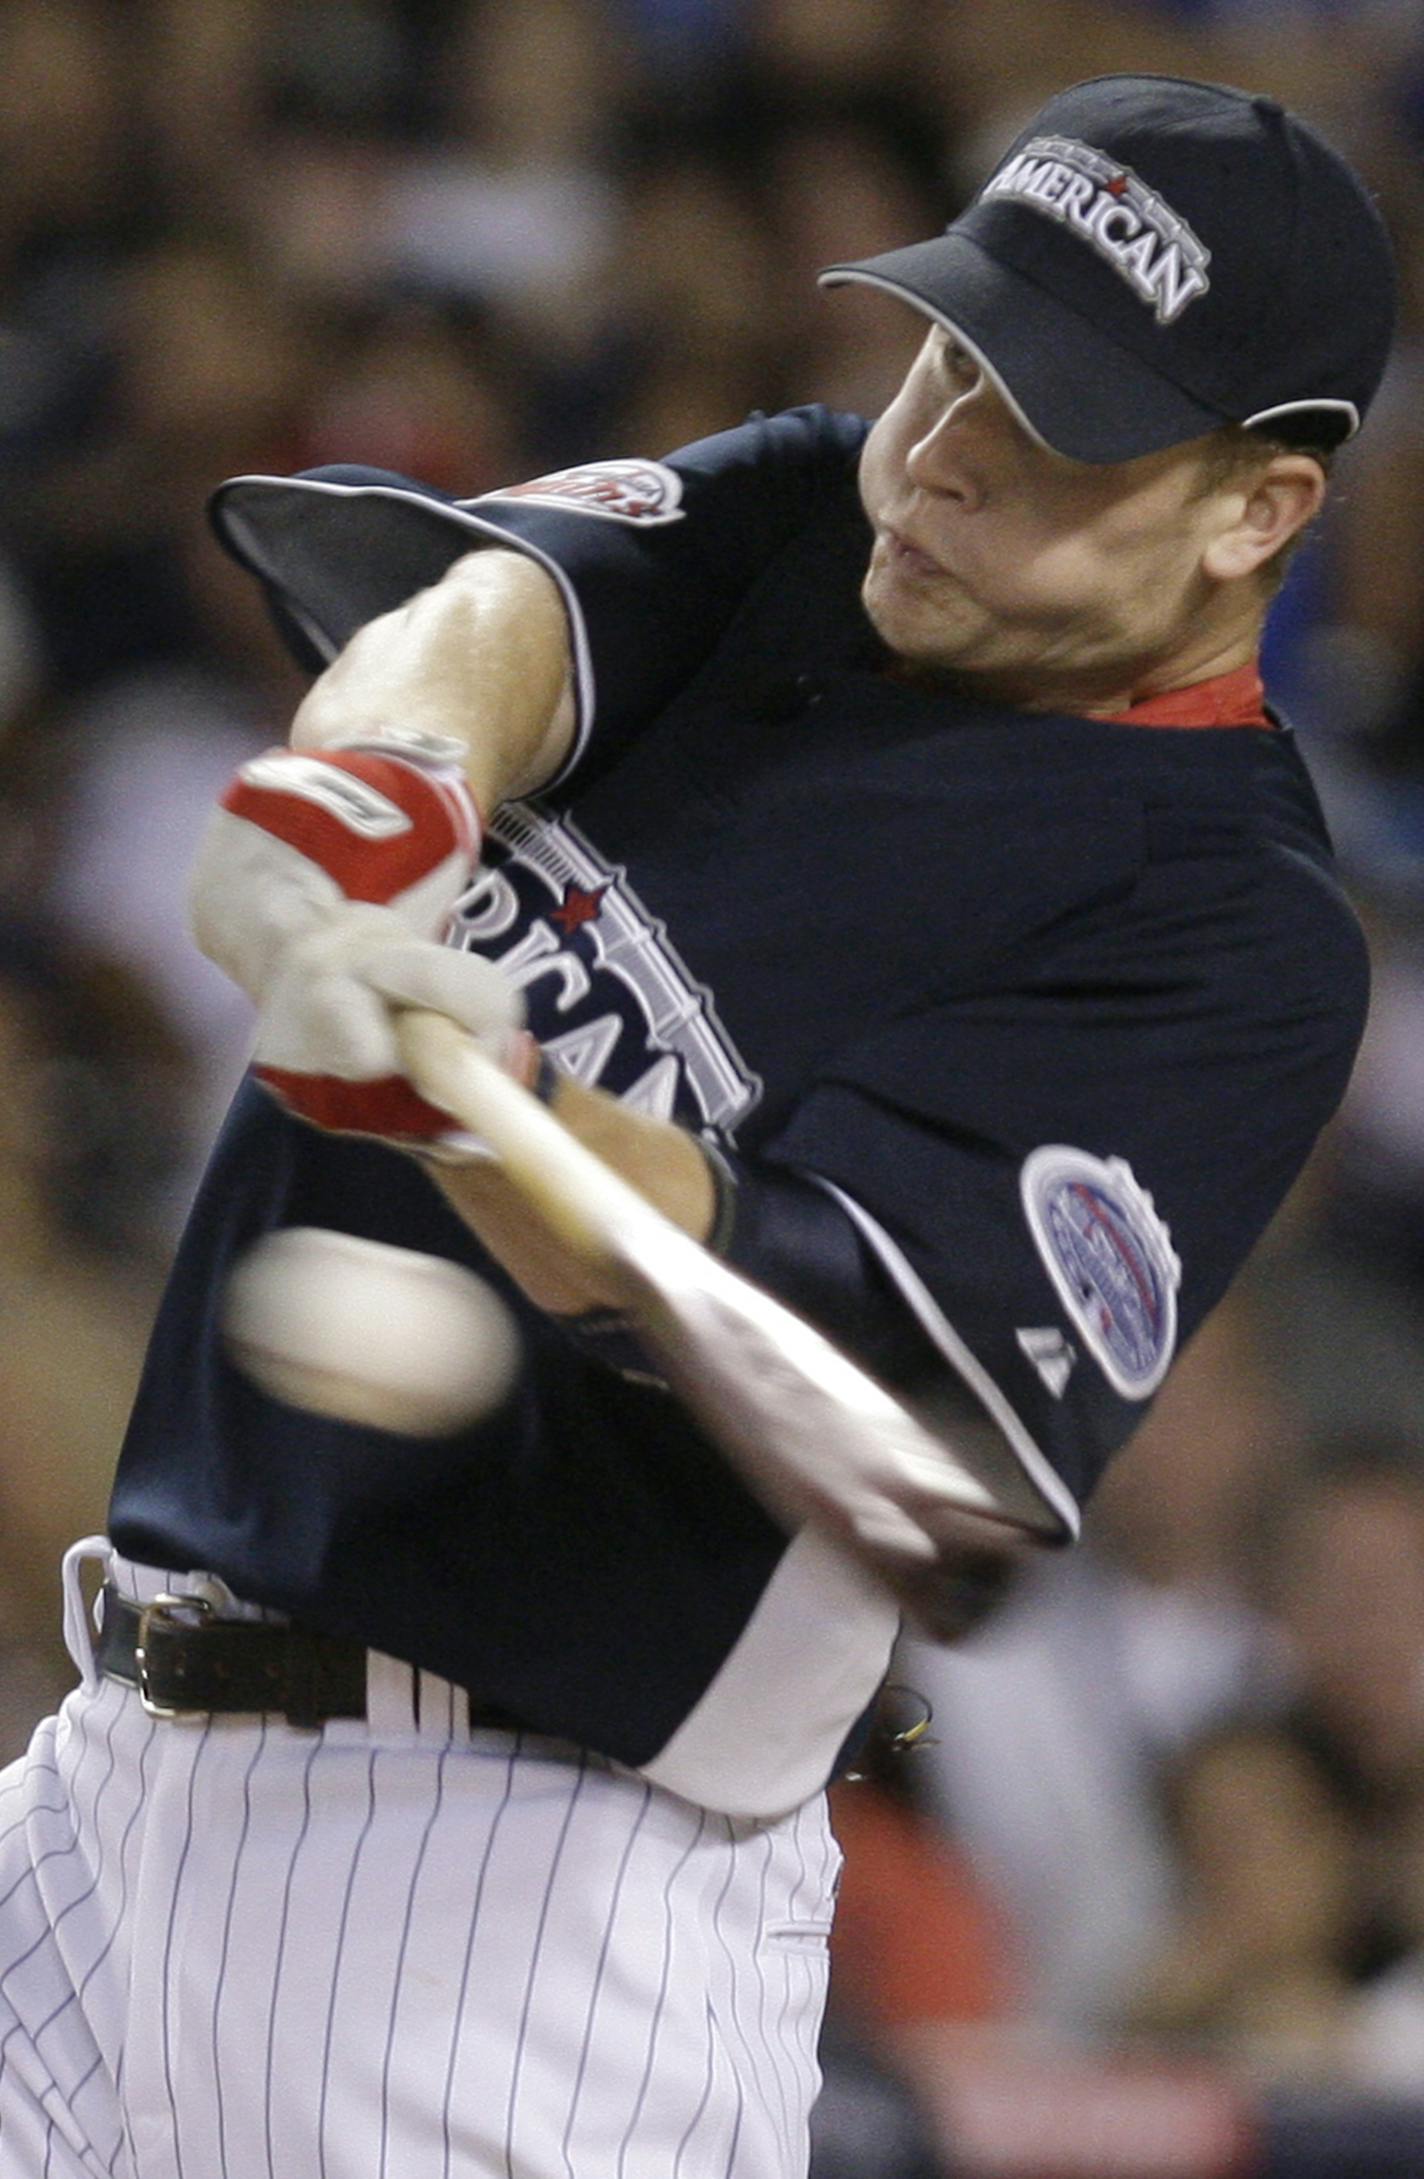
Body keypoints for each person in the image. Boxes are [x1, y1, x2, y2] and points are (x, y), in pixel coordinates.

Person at [0, 72, 1395, 2179]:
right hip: (114, 1770)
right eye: (952, 352)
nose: (938, 453)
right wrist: (383, 792)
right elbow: (492, 618)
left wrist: (501, 1113)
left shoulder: (1228, 931)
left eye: (1052, 421)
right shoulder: (816, 521)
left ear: (1253, 512)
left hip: (506, 1919)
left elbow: (833, 1347)